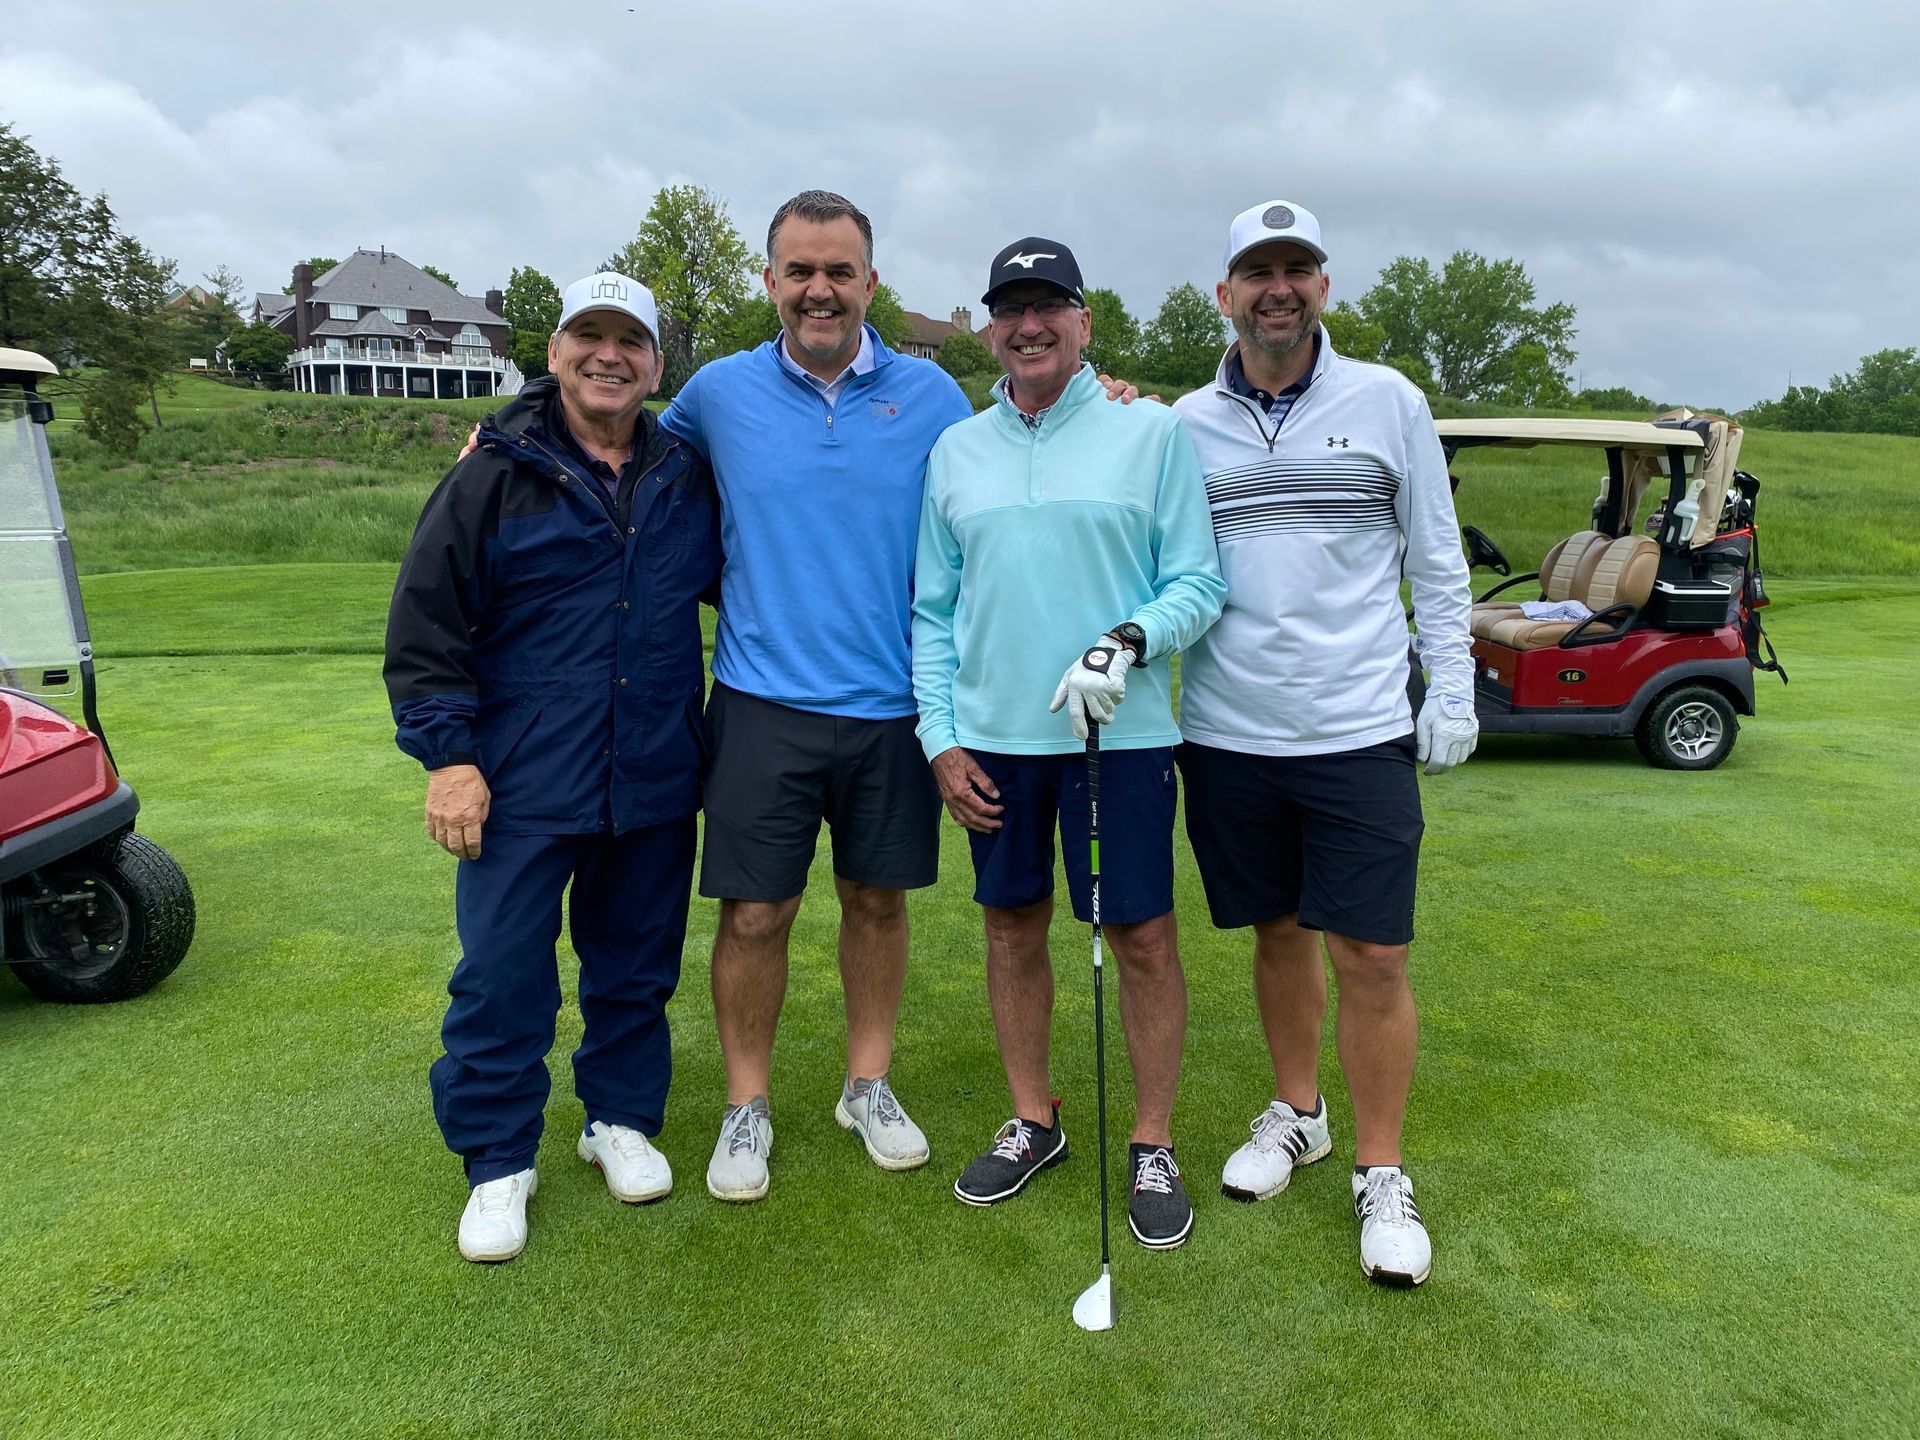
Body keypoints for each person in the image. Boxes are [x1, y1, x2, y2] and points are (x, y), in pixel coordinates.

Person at [1170, 201, 1478, 1286]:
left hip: (1356, 728)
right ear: (1226, 293)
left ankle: (1380, 1170)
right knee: (1276, 933)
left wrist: (1454, 685)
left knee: (1375, 956)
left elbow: (1436, 559)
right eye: (1257, 269)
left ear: (1324, 288)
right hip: (1227, 731)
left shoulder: (1387, 401)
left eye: (1298, 268)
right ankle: (1299, 1112)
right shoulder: (1182, 423)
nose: (1278, 287)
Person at [385, 273, 720, 1262]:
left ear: (657, 364)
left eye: (631, 340)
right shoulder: (492, 472)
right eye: (590, 335)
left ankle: (618, 1118)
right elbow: (425, 628)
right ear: (556, 349)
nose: (608, 354)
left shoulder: (684, 474)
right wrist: (449, 761)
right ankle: (497, 1159)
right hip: (524, 781)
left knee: (634, 968)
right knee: (500, 978)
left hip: (655, 774)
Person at [912, 238, 1226, 1249]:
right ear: (992, 327)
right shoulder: (957, 451)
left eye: (1050, 305)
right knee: (1011, 927)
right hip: (994, 739)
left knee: (1140, 937)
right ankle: (1033, 1117)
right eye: (1011, 309)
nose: (1029, 324)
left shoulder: (1152, 432)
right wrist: (939, 741)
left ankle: (1152, 1139)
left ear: (1085, 322)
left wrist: (1129, 639)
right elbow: (932, 612)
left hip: (1118, 737)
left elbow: (1198, 583)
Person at [661, 191, 973, 1201]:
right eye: (799, 271)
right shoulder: (716, 394)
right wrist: (503, 440)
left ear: (871, 283)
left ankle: (866, 1085)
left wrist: (1115, 409)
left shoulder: (933, 401)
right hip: (759, 700)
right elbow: (614, 445)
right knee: (755, 914)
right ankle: (745, 1107)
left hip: (894, 709)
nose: (819, 290)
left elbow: (1007, 482)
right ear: (771, 283)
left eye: (839, 271)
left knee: (875, 902)